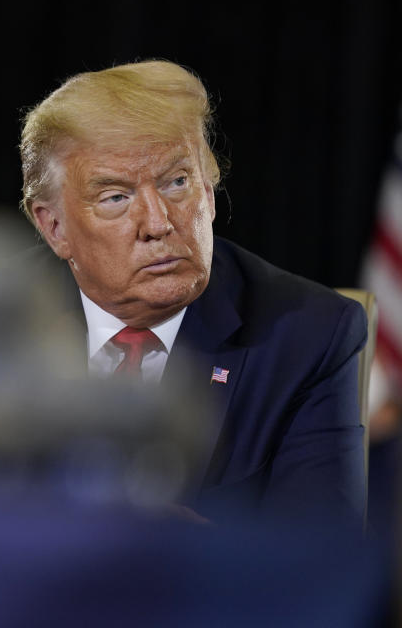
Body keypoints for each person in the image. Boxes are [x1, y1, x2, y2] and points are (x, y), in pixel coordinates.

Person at [19, 60, 368, 524]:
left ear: (208, 184)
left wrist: (191, 553)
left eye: (177, 182)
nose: (159, 224)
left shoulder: (309, 336)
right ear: (54, 227)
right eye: (116, 197)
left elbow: (320, 562)